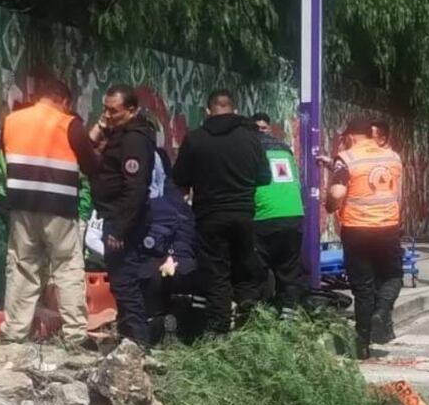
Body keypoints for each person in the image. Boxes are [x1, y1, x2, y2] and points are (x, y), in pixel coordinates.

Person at [0, 79, 99, 345]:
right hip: (59, 209)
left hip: (22, 206)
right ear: (65, 102)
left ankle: (15, 332)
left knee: (22, 267)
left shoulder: (12, 121)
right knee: (67, 268)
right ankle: (76, 335)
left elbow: (5, 153)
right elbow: (91, 166)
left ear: (38, 98)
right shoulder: (70, 124)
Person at [172, 90, 270, 334]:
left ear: (208, 111)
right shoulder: (251, 138)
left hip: (210, 217)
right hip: (244, 215)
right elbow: (265, 178)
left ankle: (219, 332)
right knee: (246, 271)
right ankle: (249, 330)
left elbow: (180, 180)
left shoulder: (195, 139)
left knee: (216, 275)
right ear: (235, 110)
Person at [326, 118, 404, 359]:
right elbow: (397, 193)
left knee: (362, 287)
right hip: (387, 228)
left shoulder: (347, 158)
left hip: (356, 230)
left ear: (350, 136)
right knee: (393, 276)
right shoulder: (393, 157)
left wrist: (330, 206)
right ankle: (381, 311)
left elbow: (337, 191)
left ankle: (362, 346)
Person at [89, 84, 158, 346]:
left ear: (131, 110)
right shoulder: (119, 132)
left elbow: (135, 188)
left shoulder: (133, 139)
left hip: (124, 219)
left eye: (114, 111)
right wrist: (102, 124)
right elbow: (85, 147)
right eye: (105, 109)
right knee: (124, 281)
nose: (108, 115)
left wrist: (119, 229)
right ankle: (132, 337)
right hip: (118, 216)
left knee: (124, 282)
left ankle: (137, 343)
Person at [250, 112, 306, 317]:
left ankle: (255, 316)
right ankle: (289, 314)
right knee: (289, 269)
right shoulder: (285, 149)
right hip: (293, 213)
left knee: (256, 269)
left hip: (264, 215)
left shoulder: (251, 148)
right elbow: (296, 183)